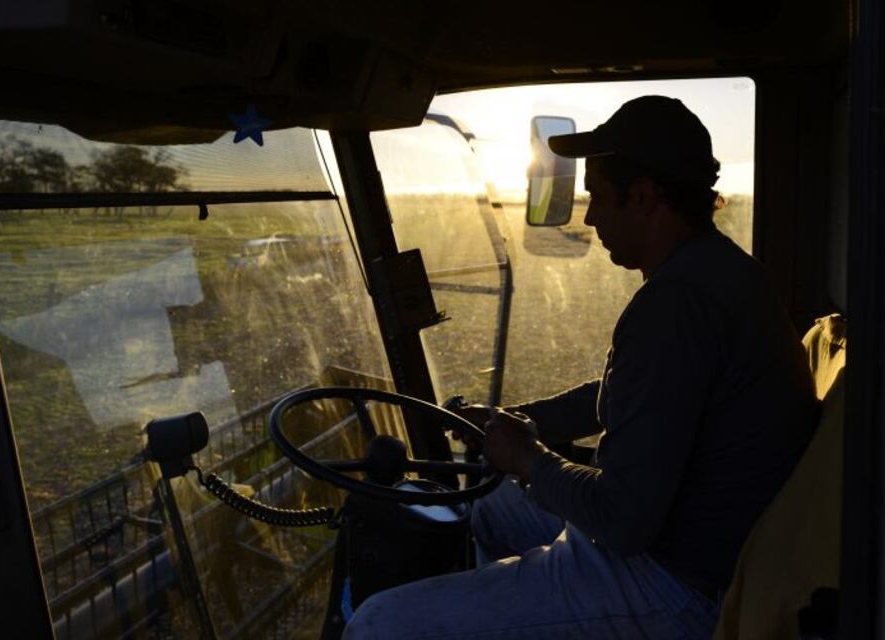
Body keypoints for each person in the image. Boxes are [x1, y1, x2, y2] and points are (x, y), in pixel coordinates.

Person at [342, 95, 818, 639]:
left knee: (380, 623)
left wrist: (531, 459)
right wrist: (513, 419)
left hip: (679, 584)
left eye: (599, 198)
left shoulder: (678, 304)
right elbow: (629, 396)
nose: (589, 217)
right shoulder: (723, 273)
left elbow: (623, 520)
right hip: (694, 546)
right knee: (493, 505)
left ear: (644, 197)